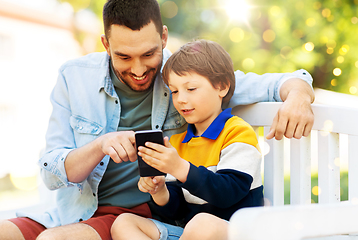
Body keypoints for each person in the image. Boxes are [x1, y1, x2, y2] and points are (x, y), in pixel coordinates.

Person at [0, 0, 314, 239]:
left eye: (149, 55)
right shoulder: (74, 77)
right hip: (74, 209)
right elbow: (53, 173)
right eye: (124, 57)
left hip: (138, 214)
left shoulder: (184, 77)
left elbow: (277, 83)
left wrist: (299, 97)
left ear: (163, 38)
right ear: (106, 44)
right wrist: (100, 145)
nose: (138, 69)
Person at [110, 39, 263, 240]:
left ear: (222, 87)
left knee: (202, 224)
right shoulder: (177, 143)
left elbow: (227, 193)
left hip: (237, 232)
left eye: (190, 89)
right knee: (124, 223)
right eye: (174, 91)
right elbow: (177, 213)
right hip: (190, 233)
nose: (180, 99)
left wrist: (180, 168)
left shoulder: (237, 133)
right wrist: (160, 191)